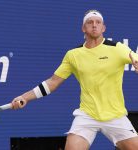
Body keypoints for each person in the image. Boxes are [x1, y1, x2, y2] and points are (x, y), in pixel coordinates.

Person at [11, 10, 138, 150]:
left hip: (115, 116)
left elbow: (136, 60)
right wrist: (25, 97)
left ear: (103, 28)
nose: (94, 25)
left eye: (98, 22)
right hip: (87, 115)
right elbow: (52, 82)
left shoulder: (118, 48)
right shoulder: (73, 55)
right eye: (90, 22)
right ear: (83, 28)